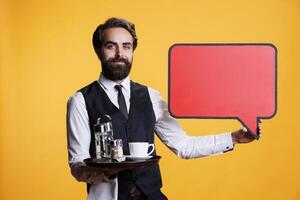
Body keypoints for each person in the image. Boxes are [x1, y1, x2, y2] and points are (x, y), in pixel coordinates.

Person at [66, 17, 257, 200]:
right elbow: (77, 165)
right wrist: (103, 172)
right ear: (98, 51)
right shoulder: (81, 100)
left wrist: (233, 138)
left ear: (133, 51)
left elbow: (184, 146)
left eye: (126, 46)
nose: (119, 53)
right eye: (110, 46)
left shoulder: (152, 96)